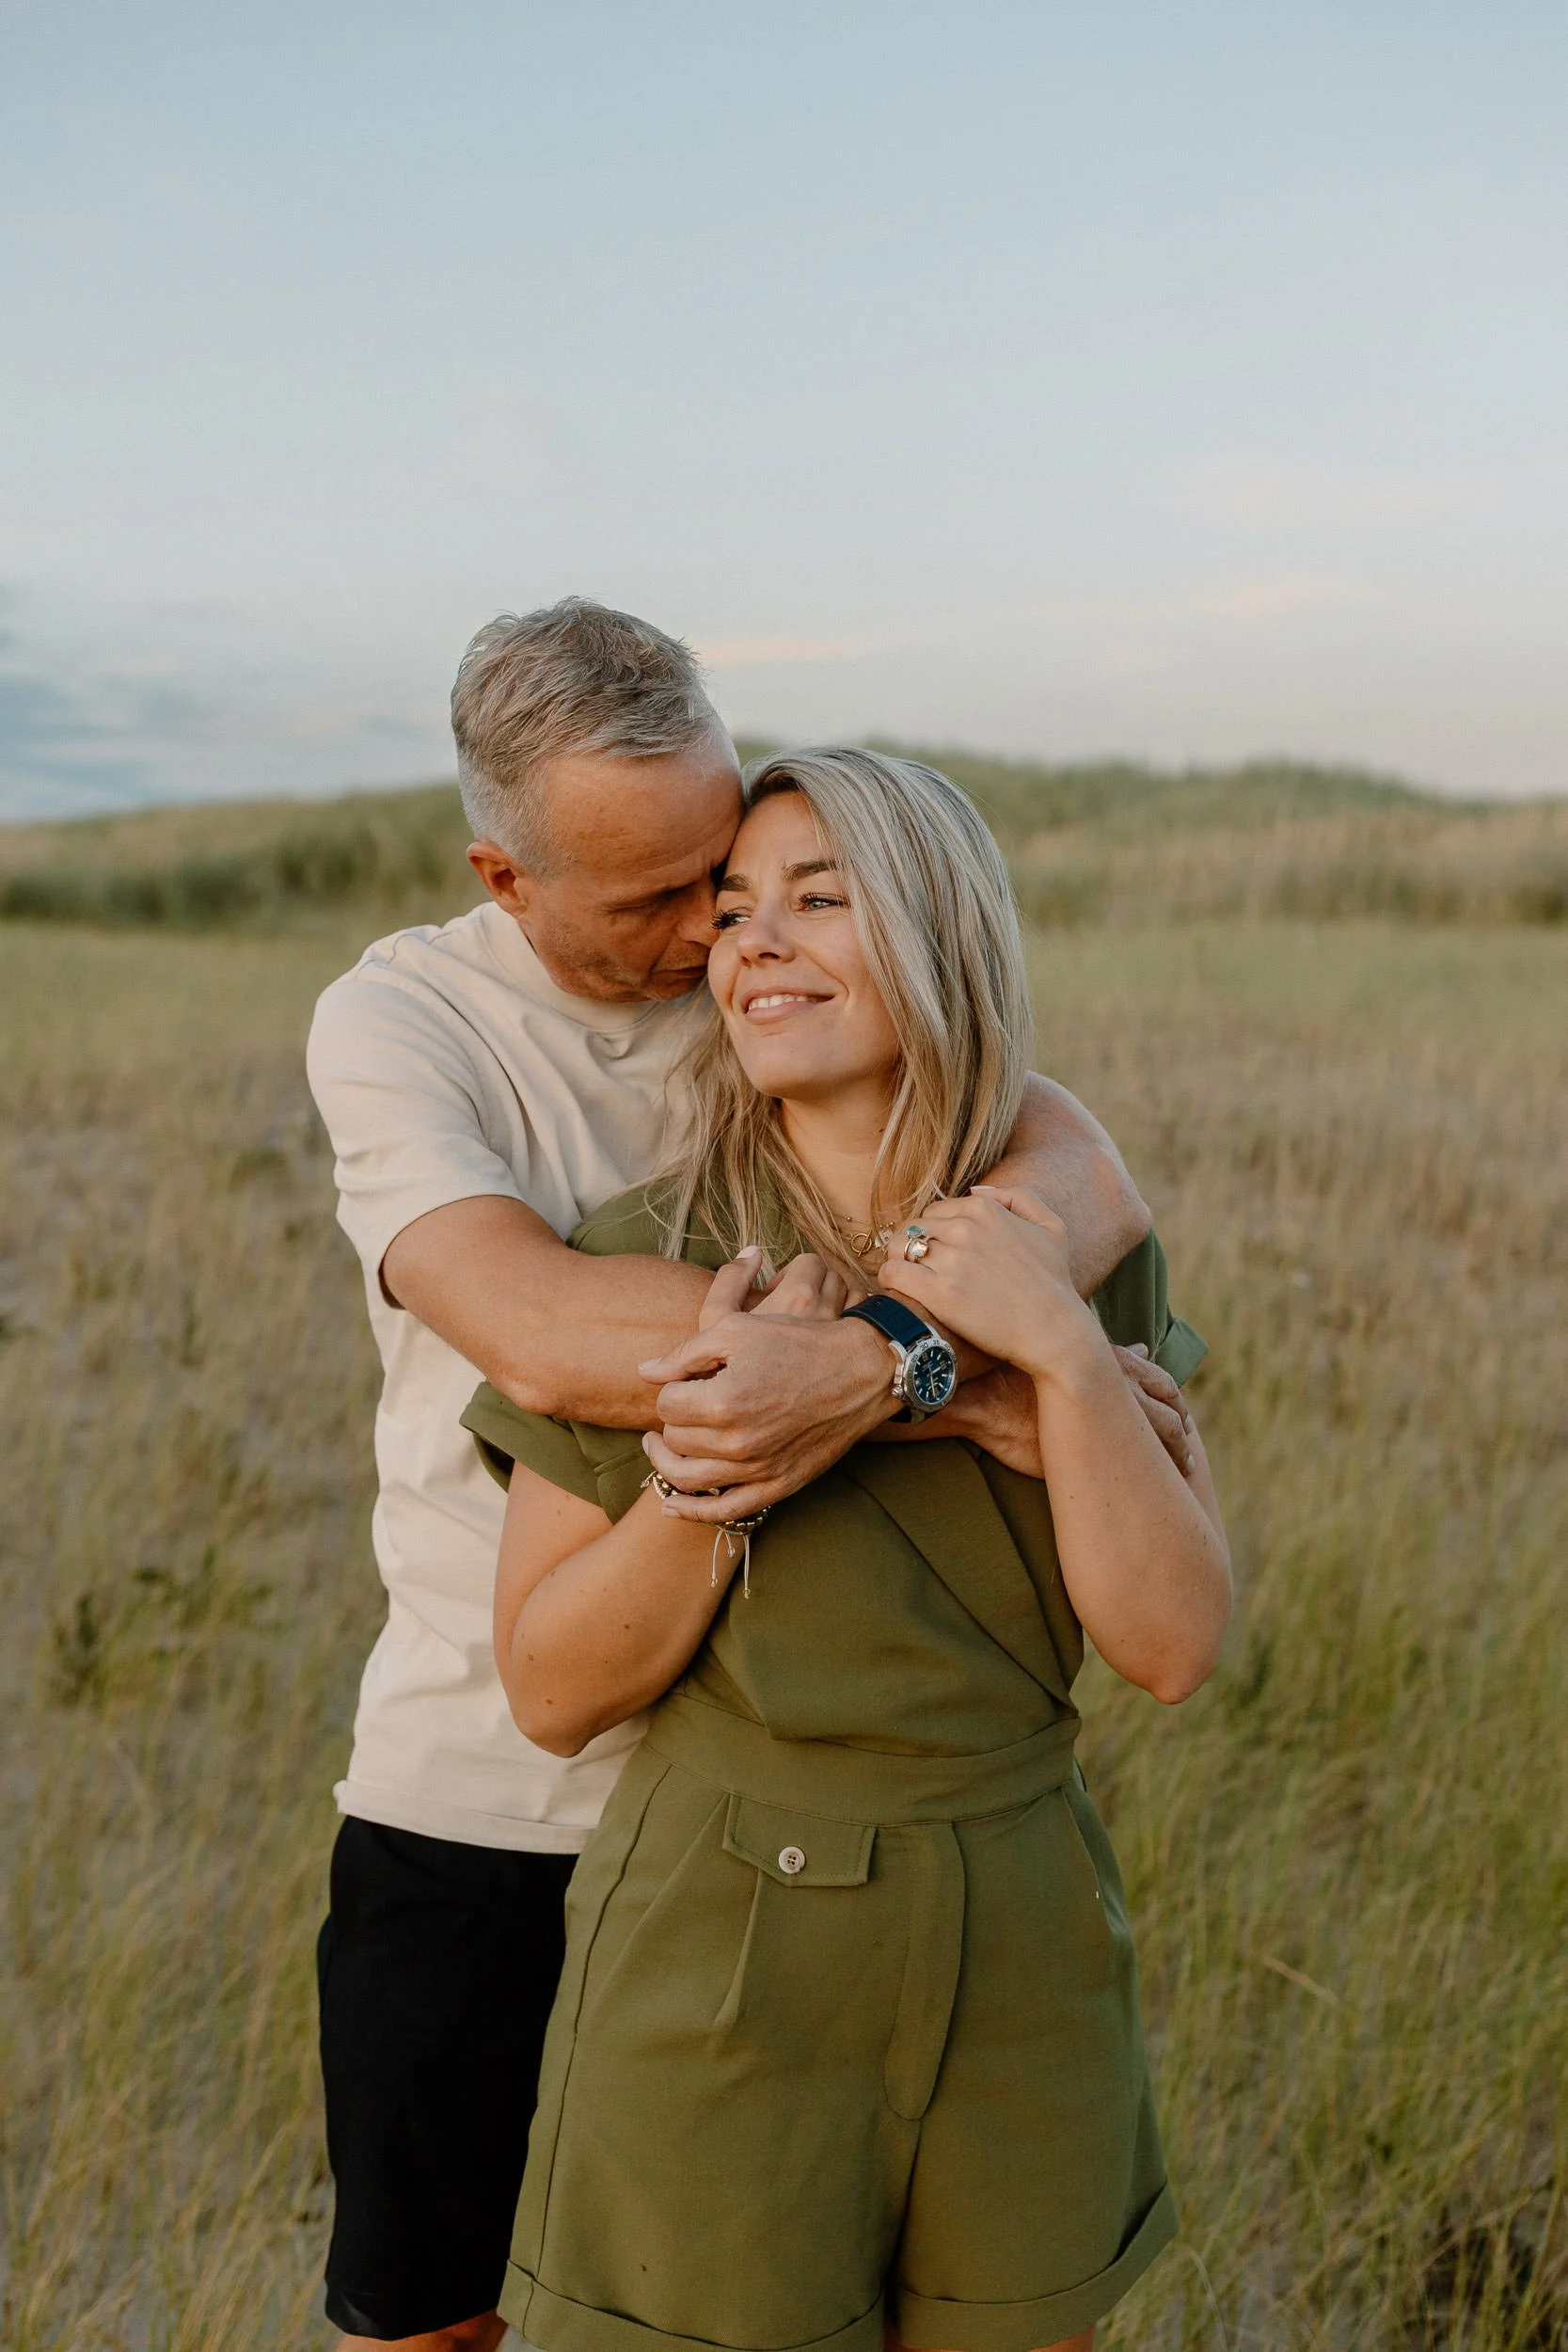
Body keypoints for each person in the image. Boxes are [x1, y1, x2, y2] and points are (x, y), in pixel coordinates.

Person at [306, 603, 1189, 2352]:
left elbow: (1074, 1164)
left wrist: (945, 1354)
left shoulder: (769, 986)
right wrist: (944, 1370)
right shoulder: (402, 1024)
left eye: (734, 873)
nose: (708, 932)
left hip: (797, 1816)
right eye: (658, 899)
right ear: (504, 875)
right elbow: (548, 1329)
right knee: (434, 2316)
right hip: (493, 1774)